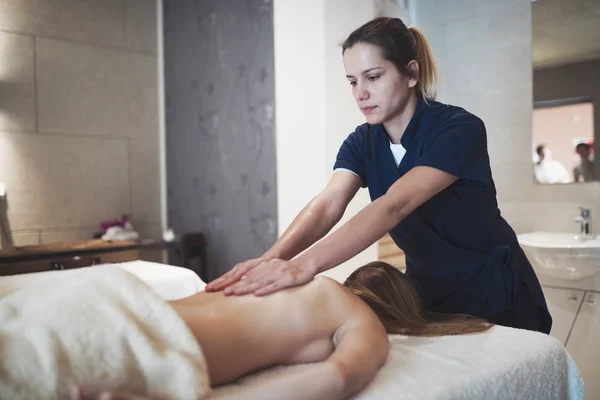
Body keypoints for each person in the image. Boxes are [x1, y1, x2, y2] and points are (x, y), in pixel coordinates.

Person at [206, 16, 553, 335]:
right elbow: (328, 204)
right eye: (353, 81)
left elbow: (394, 206)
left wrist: (304, 266)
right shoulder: (363, 141)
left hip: (493, 291)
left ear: (411, 73)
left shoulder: (459, 129)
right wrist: (270, 261)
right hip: (426, 292)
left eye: (373, 77)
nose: (361, 93)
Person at [65, 262, 491, 400]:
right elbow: (338, 376)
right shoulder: (363, 323)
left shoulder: (294, 280)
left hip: (105, 301)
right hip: (142, 340)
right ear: (399, 314)